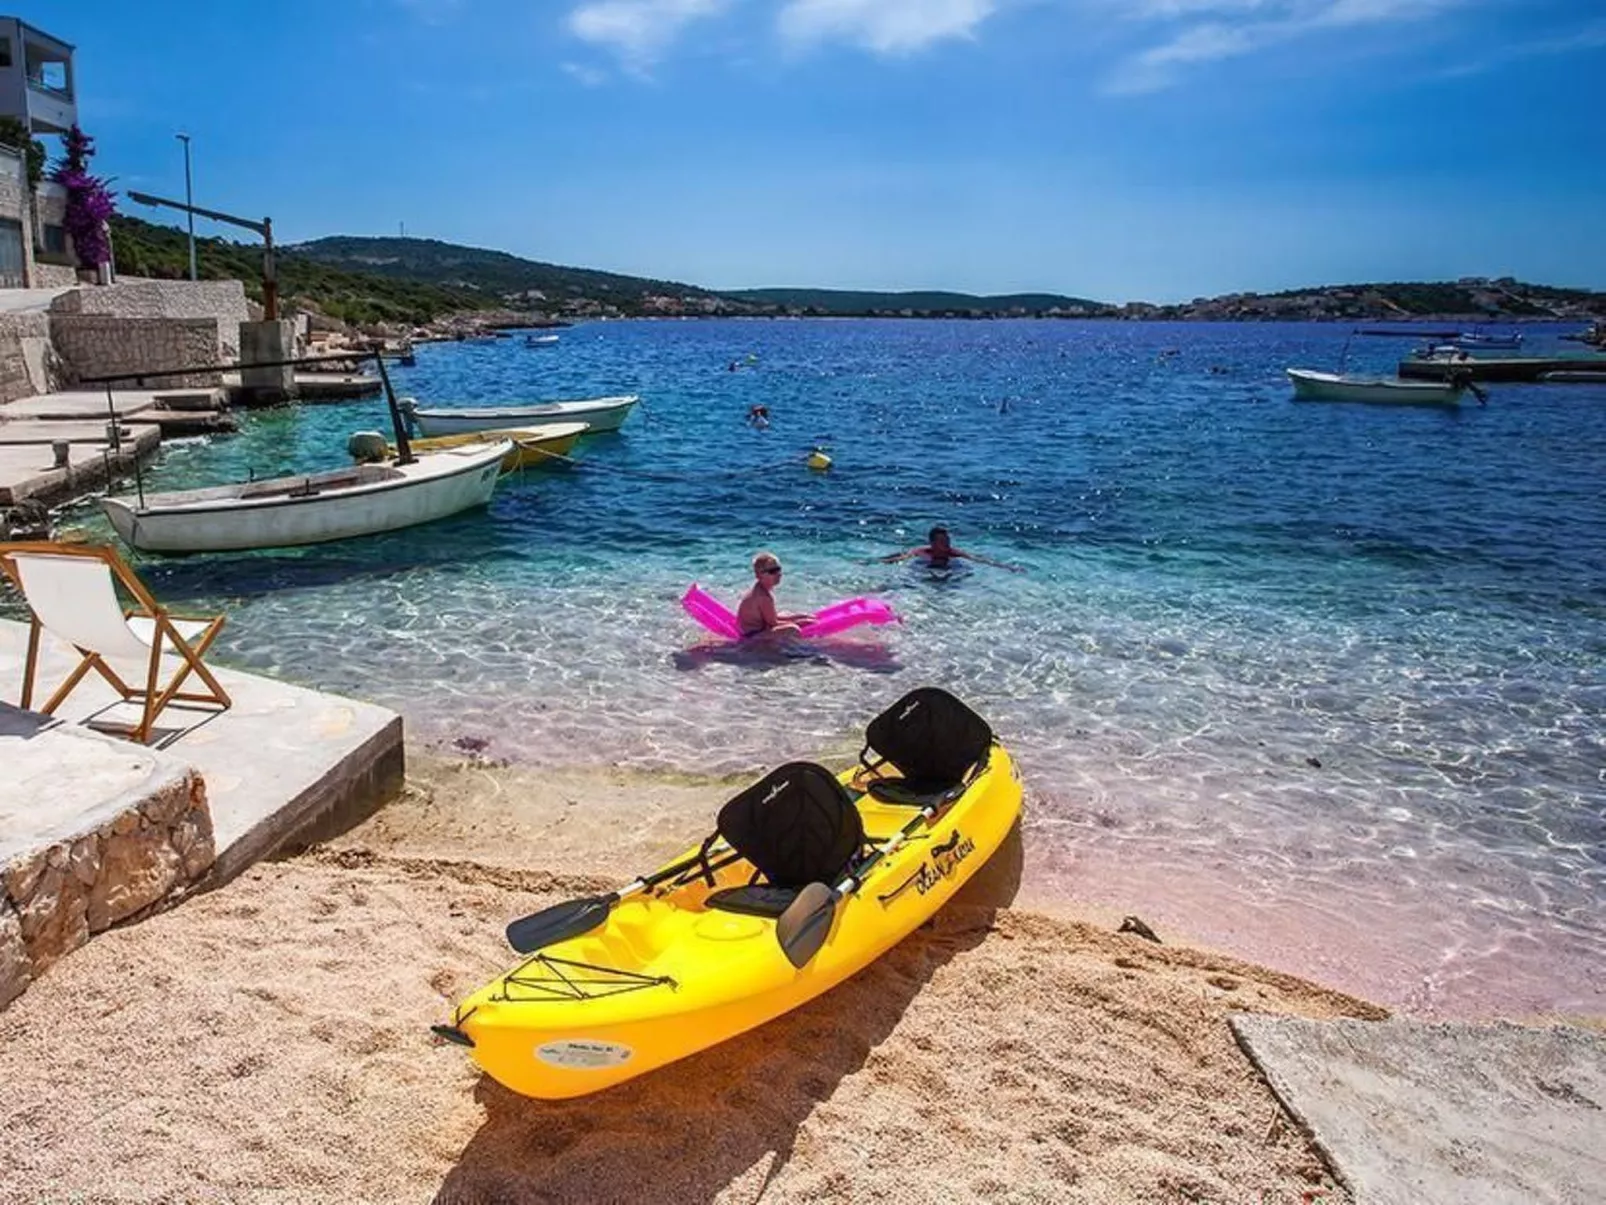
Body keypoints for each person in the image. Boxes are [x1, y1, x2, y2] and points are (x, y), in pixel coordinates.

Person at [880, 526, 1023, 572]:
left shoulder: (953, 553)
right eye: (942, 541)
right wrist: (879, 562)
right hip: (925, 567)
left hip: (947, 568)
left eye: (947, 540)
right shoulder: (922, 551)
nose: (947, 544)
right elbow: (901, 558)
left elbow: (979, 560)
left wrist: (1008, 567)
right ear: (932, 543)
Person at [737, 552, 814, 637]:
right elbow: (773, 624)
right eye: (772, 571)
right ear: (759, 575)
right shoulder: (763, 597)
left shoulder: (761, 589)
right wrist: (799, 623)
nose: (778, 574)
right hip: (752, 636)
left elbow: (770, 618)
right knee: (793, 629)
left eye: (778, 569)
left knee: (786, 613)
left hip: (759, 628)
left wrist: (800, 617)